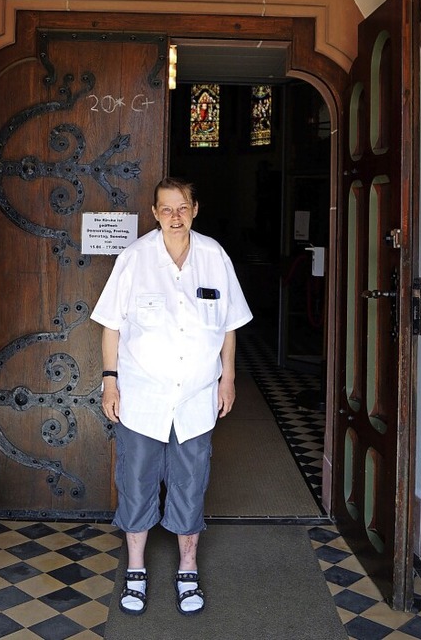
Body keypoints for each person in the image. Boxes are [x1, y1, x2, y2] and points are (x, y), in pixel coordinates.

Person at [91, 176, 252, 617]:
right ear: (155, 213)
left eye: (183, 207)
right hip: (142, 396)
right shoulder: (135, 258)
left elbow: (229, 324)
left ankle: (187, 567)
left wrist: (229, 378)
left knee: (190, 484)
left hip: (197, 396)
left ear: (195, 209)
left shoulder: (214, 257)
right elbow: (111, 325)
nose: (175, 216)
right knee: (137, 482)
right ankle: (137, 568)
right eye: (166, 209)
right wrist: (110, 380)